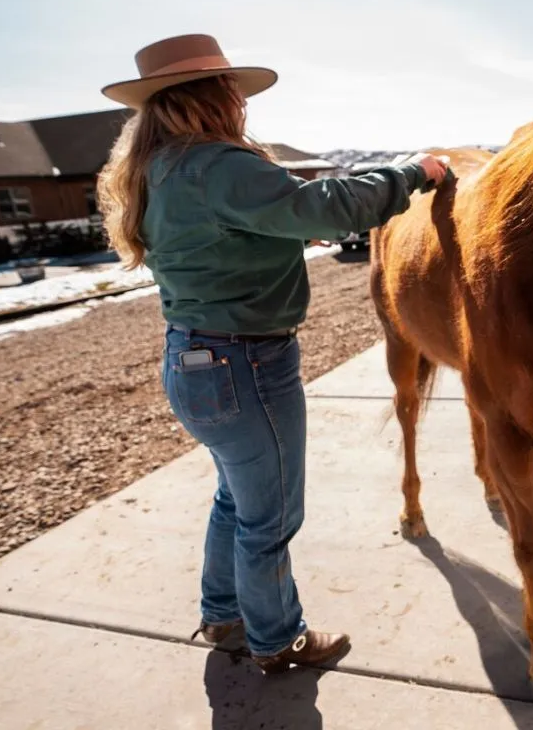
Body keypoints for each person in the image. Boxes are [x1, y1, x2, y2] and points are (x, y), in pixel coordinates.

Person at [96, 33, 448, 674]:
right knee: (271, 517)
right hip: (246, 368)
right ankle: (278, 640)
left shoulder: (160, 169)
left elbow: (259, 225)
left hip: (193, 360)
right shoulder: (216, 165)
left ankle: (224, 615)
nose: (240, 100)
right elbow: (324, 204)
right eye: (230, 88)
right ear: (208, 97)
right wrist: (412, 173)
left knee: (237, 501)